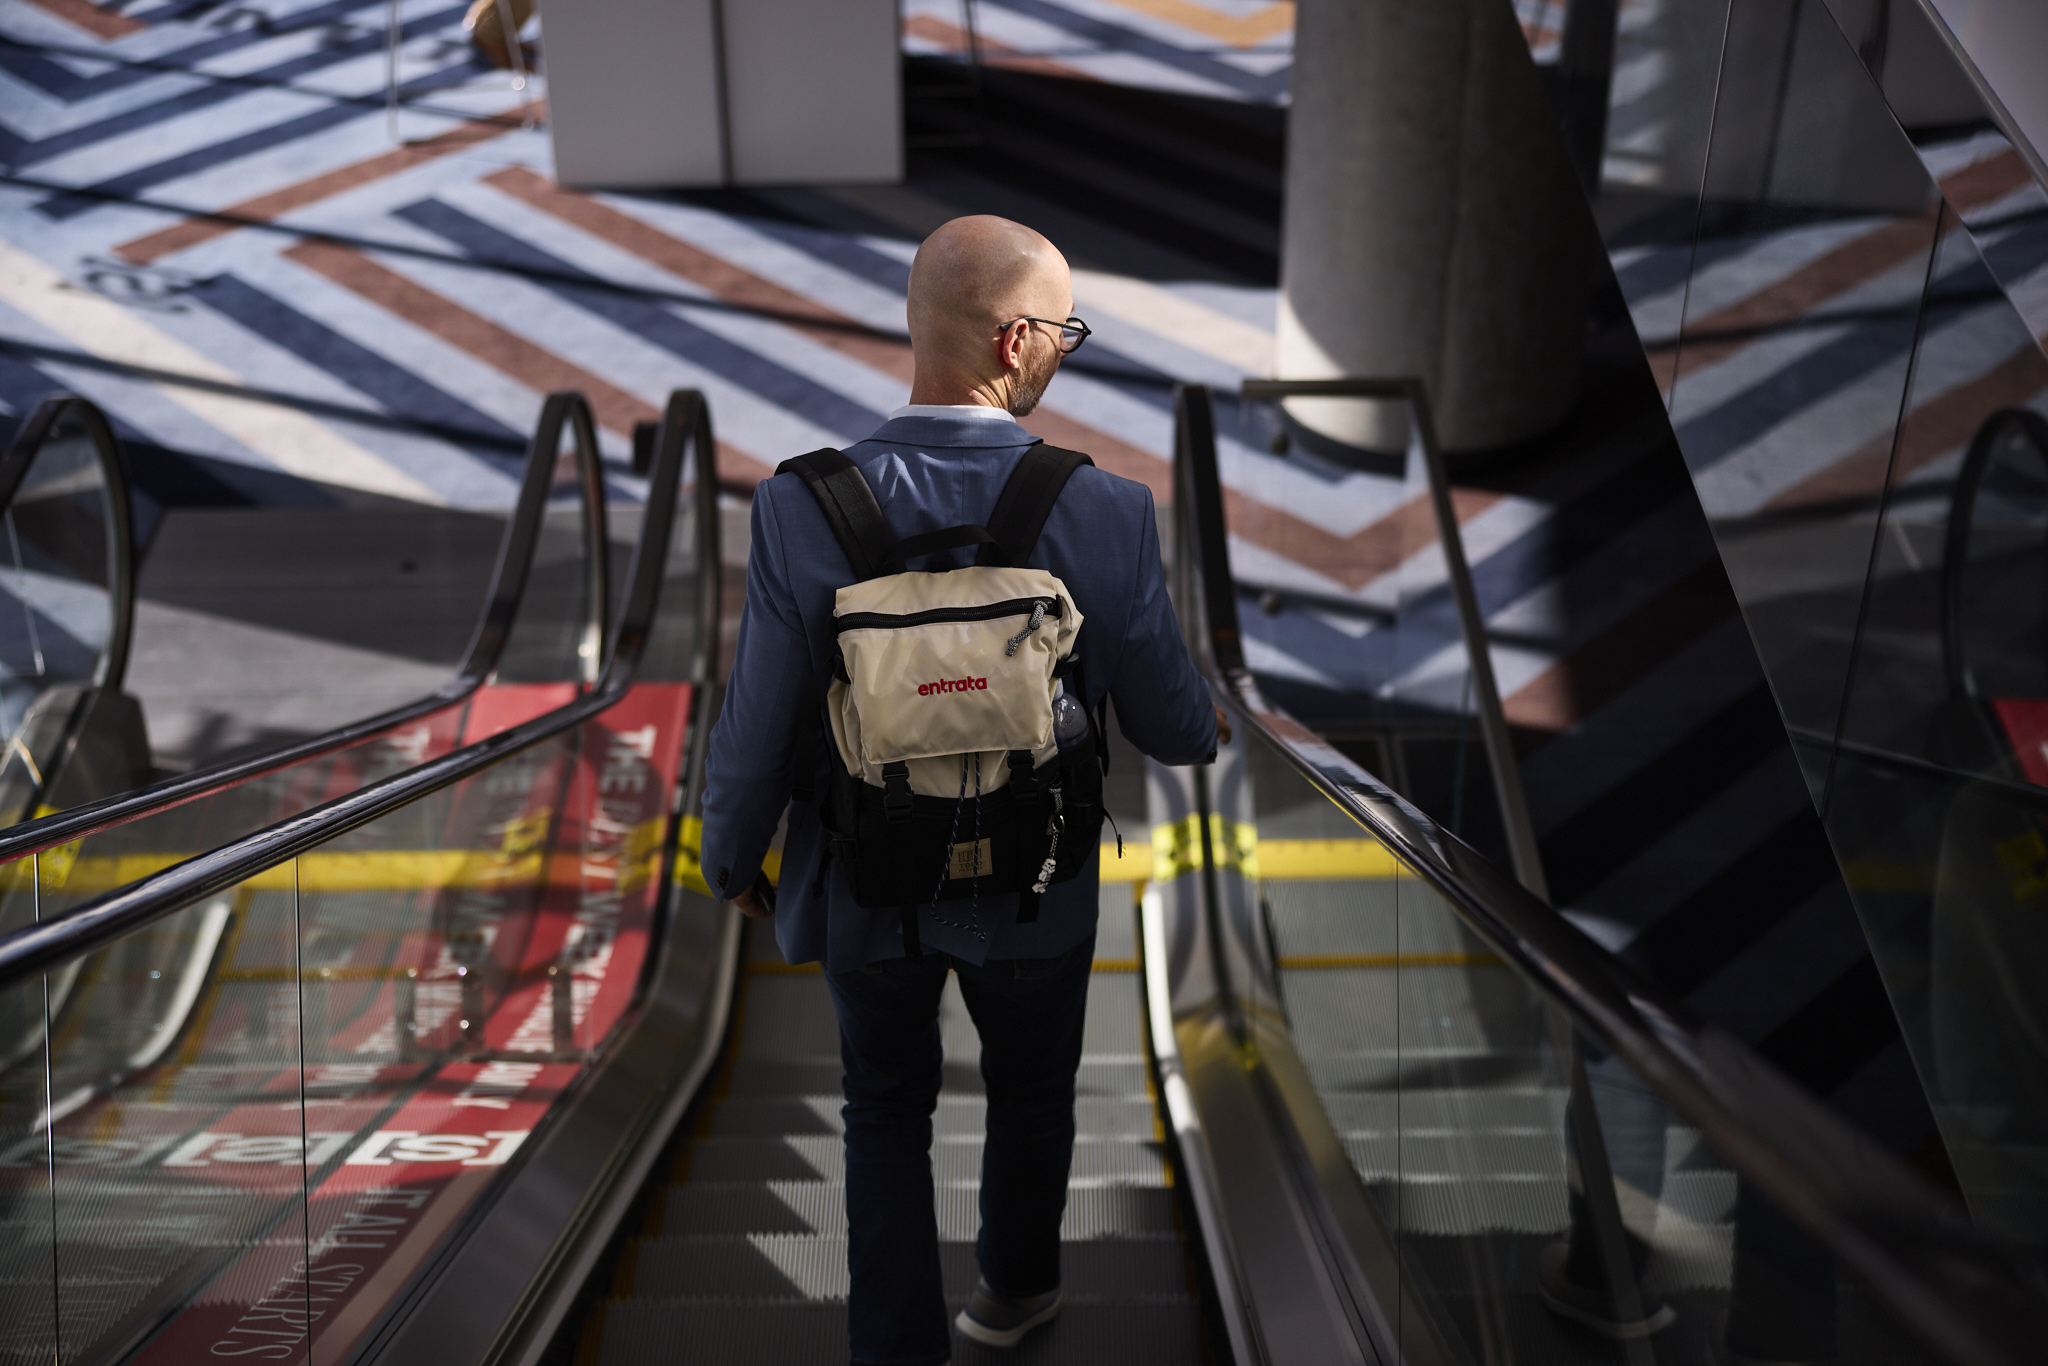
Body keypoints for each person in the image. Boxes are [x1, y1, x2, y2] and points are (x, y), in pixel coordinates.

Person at [700, 214, 1224, 1364]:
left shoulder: (802, 506)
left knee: (884, 1106)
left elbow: (758, 722)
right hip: (1035, 883)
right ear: (1014, 338)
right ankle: (1015, 1290)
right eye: (1063, 334)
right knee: (1031, 1091)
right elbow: (1172, 728)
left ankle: (895, 1347)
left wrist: (729, 855)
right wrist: (1213, 718)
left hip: (865, 878)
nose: (1061, 355)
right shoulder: (1106, 509)